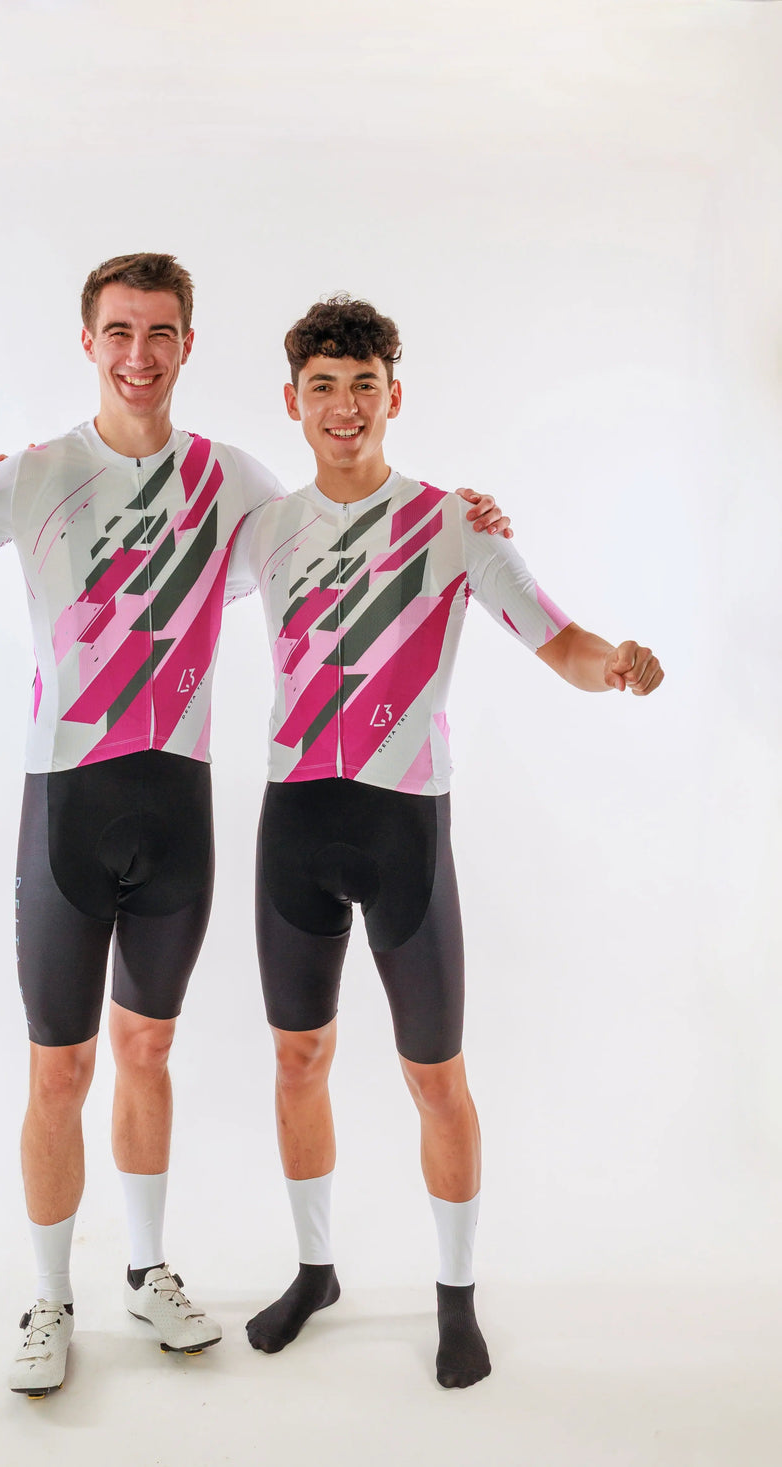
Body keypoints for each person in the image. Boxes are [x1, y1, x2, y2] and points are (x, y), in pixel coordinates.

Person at [0, 254, 511, 1396]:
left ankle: (147, 1271)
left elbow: (339, 520)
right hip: (65, 799)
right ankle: (48, 1297)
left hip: (178, 805)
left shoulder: (234, 480)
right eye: (119, 331)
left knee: (148, 1050)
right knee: (56, 1069)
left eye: (159, 332)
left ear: (187, 345)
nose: (138, 354)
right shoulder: (35, 473)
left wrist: (470, 524)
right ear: (88, 341)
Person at [236, 296, 663, 1388]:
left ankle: (457, 1296)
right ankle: (315, 1269)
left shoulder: (453, 522)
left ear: (394, 395)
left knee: (435, 1075)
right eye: (322, 387)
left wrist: (613, 664)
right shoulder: (264, 529)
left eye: (362, 385)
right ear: (292, 401)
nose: (343, 406)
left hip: (404, 829)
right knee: (297, 1059)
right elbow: (149, 573)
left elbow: (557, 638)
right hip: (294, 822)